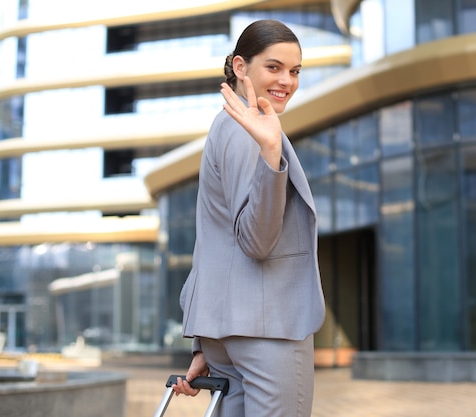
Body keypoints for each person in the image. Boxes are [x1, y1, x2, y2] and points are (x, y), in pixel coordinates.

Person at [171, 19, 326, 417]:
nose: (287, 81)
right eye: (273, 67)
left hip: (232, 332)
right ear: (241, 68)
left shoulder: (227, 125)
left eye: (294, 71)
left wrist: (207, 341)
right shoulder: (249, 132)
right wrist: (272, 155)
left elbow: (214, 238)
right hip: (268, 328)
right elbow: (254, 240)